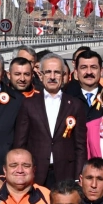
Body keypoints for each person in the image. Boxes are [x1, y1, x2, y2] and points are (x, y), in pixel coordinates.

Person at [14, 52, 89, 186]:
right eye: (48, 72)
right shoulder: (28, 104)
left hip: (66, 173)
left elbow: (80, 146)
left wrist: (78, 176)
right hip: (36, 173)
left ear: (64, 75)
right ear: (41, 75)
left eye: (57, 72)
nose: (52, 77)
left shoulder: (75, 105)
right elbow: (20, 144)